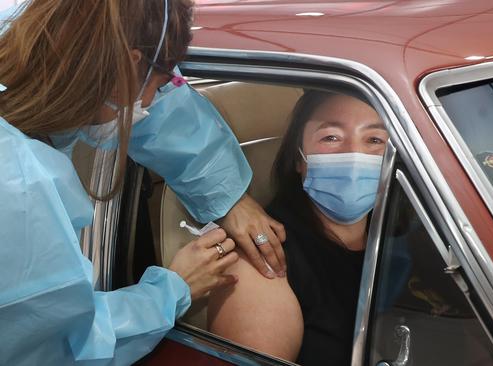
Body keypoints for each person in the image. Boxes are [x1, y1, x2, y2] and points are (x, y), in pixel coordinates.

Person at [0, 0, 282, 365]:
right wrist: (171, 290)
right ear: (127, 65)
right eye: (166, 83)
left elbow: (158, 113)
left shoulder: (28, 56)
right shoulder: (20, 190)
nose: (152, 102)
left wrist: (226, 195)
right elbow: (61, 347)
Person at [207, 90, 389, 365]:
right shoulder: (266, 260)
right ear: (298, 159)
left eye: (374, 140)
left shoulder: (417, 229)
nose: (354, 155)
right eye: (331, 137)